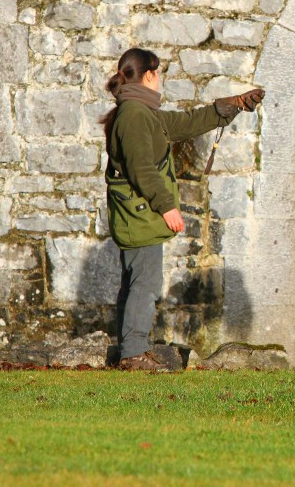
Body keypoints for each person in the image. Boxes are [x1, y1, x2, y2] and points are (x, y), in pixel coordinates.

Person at [100, 48, 264, 371]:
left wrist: (229, 106)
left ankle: (130, 349)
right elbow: (142, 169)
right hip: (142, 215)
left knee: (136, 282)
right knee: (144, 284)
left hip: (140, 215)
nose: (159, 79)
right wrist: (167, 207)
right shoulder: (134, 115)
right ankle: (133, 353)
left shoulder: (141, 112)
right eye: (158, 73)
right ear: (148, 75)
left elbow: (186, 123)